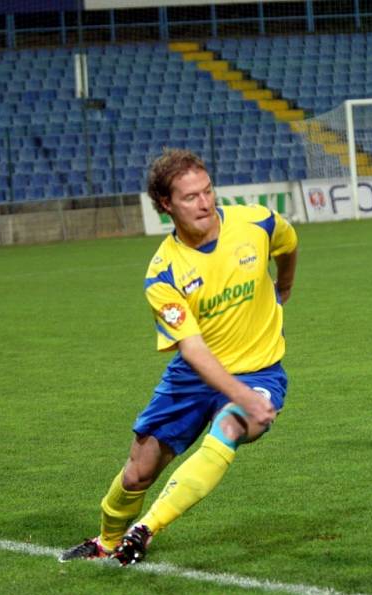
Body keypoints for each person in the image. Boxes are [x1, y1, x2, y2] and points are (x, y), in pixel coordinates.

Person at [60, 148, 298, 564]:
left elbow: (288, 241)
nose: (205, 203)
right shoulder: (163, 273)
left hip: (259, 370)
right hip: (193, 376)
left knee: (228, 426)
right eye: (191, 197)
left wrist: (285, 286)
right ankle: (106, 542)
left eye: (208, 191)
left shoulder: (255, 221)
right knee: (137, 472)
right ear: (166, 204)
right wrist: (242, 396)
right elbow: (193, 349)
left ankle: (144, 530)